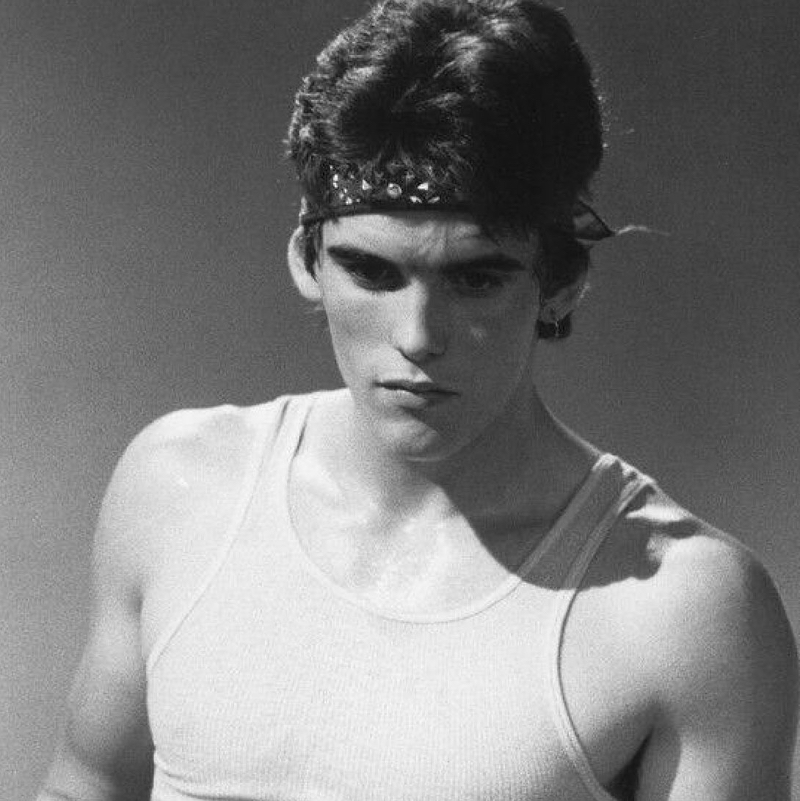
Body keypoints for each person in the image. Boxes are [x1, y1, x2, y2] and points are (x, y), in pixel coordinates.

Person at [38, 1, 798, 799]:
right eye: (372, 271)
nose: (418, 335)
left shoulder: (685, 610)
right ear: (307, 260)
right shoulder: (179, 489)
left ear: (562, 280)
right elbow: (84, 783)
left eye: (475, 278)